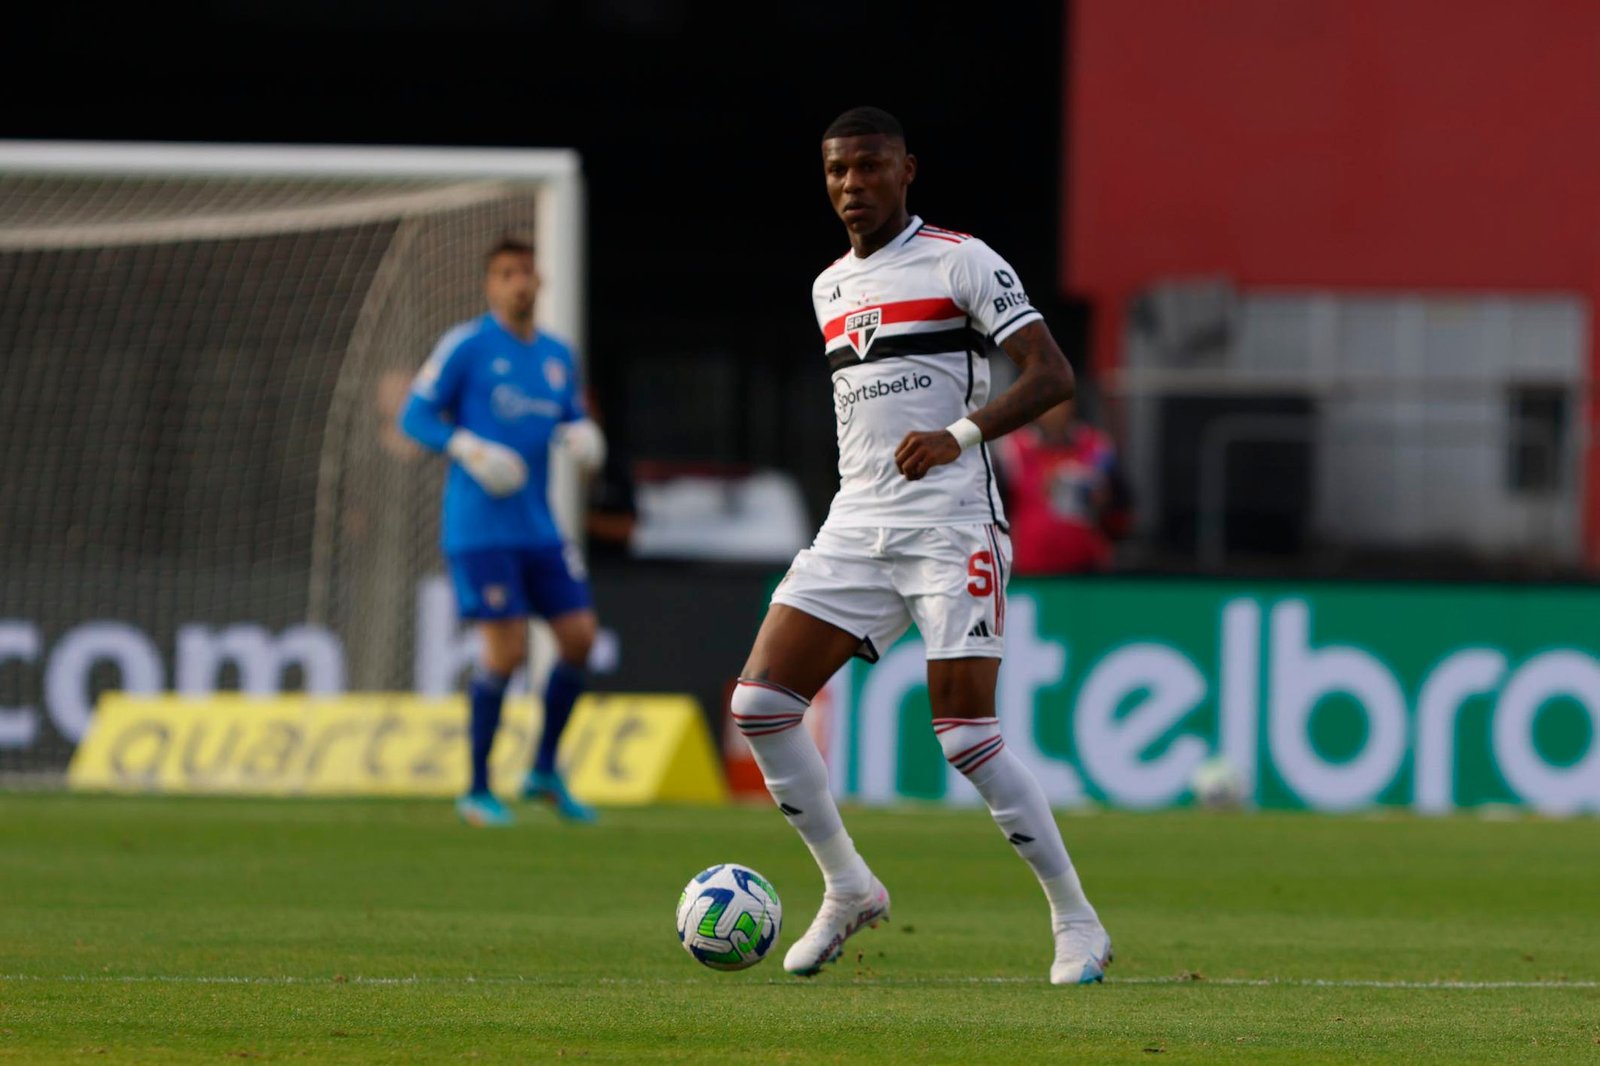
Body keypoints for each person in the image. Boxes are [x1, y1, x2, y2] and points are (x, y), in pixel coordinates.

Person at [729, 107, 1112, 985]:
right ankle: (849, 885)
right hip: (857, 521)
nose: (852, 186)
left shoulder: (961, 260)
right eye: (836, 172)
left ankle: (1076, 921)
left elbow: (1052, 374)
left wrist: (961, 435)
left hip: (951, 520)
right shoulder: (829, 286)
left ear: (908, 169)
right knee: (760, 703)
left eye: (869, 167)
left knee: (965, 734)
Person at [399, 235, 606, 827]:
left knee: (580, 638)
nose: (519, 282)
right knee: (508, 651)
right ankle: (477, 787)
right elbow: (413, 415)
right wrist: (465, 446)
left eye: (527, 273)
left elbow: (570, 417)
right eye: (507, 274)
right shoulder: (466, 346)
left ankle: (542, 770)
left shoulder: (557, 355)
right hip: (479, 529)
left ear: (540, 282)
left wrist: (584, 432)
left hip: (538, 526)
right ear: (491, 285)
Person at [994, 397, 1132, 574]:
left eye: (1061, 402)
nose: (1055, 411)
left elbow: (1122, 509)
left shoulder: (1097, 448)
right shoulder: (1012, 451)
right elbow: (995, 510)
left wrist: (1103, 503)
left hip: (1088, 570)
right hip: (1030, 570)